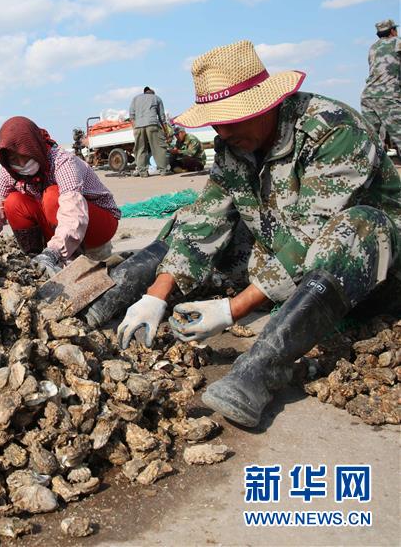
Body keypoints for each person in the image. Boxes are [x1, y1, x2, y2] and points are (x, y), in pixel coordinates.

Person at [83, 40, 401, 428]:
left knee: (357, 227)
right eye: (216, 121)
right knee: (187, 222)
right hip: (286, 256)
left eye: (231, 118)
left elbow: (307, 237)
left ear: (265, 104)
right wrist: (156, 294)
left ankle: (262, 368)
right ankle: (120, 292)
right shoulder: (234, 146)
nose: (223, 130)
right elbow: (205, 221)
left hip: (370, 275)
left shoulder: (332, 130)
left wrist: (231, 310)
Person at [0, 116, 121, 276]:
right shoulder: (9, 171)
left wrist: (54, 253)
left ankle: (67, 256)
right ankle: (36, 258)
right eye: (14, 159)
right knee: (13, 202)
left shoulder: (62, 162)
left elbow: (73, 212)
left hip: (97, 224)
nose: (22, 164)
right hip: (57, 224)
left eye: (25, 156)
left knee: (52, 196)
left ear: (34, 148)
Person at [360, 19, 401, 155]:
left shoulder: (373, 48)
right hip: (388, 96)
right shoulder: (397, 42)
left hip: (368, 96)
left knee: (369, 140)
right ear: (392, 31)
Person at [129, 87, 169, 177]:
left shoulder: (135, 99)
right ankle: (163, 170)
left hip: (138, 126)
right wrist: (166, 131)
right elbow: (162, 117)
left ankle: (143, 172)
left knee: (140, 149)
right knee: (158, 148)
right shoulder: (157, 98)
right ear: (152, 93)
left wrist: (135, 128)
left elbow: (131, 116)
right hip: (152, 124)